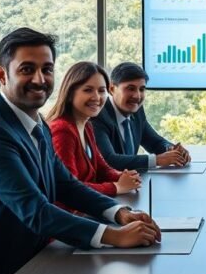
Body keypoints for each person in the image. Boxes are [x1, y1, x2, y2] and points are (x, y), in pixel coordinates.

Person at [0, 28, 161, 274]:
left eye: (47, 69)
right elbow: (36, 211)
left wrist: (118, 212)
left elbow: (66, 184)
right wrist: (115, 235)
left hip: (32, 254)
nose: (40, 79)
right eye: (27, 69)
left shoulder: (36, 124)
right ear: (2, 74)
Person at [46, 61, 141, 200]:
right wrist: (116, 187)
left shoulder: (87, 126)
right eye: (88, 90)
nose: (97, 97)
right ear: (71, 92)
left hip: (87, 208)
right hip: (71, 214)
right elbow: (69, 187)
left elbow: (103, 169)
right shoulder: (62, 130)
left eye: (101, 91)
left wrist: (123, 176)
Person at [92, 62, 190, 171]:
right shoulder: (98, 116)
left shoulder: (136, 110)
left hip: (132, 183)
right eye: (130, 88)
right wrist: (156, 160)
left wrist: (171, 149)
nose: (137, 96)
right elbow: (109, 160)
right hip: (108, 185)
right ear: (112, 89)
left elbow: (154, 142)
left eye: (142, 89)